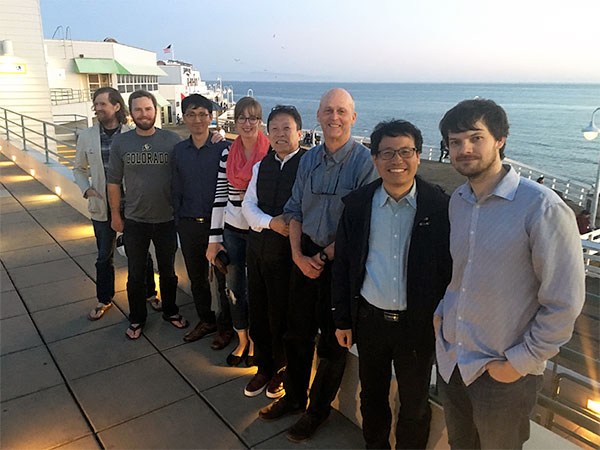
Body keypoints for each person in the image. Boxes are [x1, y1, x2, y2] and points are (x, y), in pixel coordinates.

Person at [435, 98, 585, 449]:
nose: (464, 149)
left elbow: (565, 302)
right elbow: (462, 273)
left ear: (500, 139)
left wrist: (518, 364)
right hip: (453, 361)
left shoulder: (542, 207)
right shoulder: (458, 200)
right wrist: (441, 315)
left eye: (476, 138)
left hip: (503, 374)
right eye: (455, 142)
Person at [258, 88, 378, 443]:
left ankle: (317, 411)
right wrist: (297, 254)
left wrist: (323, 257)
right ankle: (294, 397)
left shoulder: (365, 164)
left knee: (331, 343)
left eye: (342, 111)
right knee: (296, 333)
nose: (334, 117)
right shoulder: (308, 160)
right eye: (328, 110)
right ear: (318, 116)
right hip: (304, 254)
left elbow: (361, 227)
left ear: (353, 118)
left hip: (340, 263)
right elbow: (294, 210)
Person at [332, 120, 452, 449]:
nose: (396, 159)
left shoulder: (440, 207)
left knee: (414, 406)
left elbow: (450, 271)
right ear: (374, 159)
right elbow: (342, 266)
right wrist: (342, 319)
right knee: (372, 397)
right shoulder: (357, 206)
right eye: (387, 152)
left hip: (418, 326)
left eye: (405, 151)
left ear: (417, 156)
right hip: (370, 322)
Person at [107, 90, 189, 339]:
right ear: (131, 113)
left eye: (148, 109)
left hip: (167, 220)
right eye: (138, 109)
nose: (144, 114)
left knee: (168, 272)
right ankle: (136, 319)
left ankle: (171, 311)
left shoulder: (172, 141)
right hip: (134, 220)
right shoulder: (121, 143)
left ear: (156, 111)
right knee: (135, 275)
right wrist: (115, 215)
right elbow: (113, 182)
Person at [73, 87, 159, 320]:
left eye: (102, 104)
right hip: (102, 207)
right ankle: (104, 298)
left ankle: (150, 293)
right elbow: (79, 169)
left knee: (141, 254)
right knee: (104, 255)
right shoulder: (87, 136)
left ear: (116, 106)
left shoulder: (133, 134)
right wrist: (86, 189)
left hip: (132, 207)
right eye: (96, 104)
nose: (98, 108)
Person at [241, 105, 306, 398]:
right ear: (268, 134)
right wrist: (270, 223)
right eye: (275, 129)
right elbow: (247, 207)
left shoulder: (308, 164)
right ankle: (263, 366)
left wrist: (284, 227)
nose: (280, 135)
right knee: (259, 312)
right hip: (258, 252)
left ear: (300, 133)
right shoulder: (261, 166)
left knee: (286, 316)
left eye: (287, 128)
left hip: (290, 257)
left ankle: (283, 370)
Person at [206, 97, 270, 366]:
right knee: (234, 288)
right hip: (232, 230)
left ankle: (256, 340)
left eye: (252, 118)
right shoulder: (226, 153)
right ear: (235, 120)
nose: (247, 123)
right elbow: (221, 195)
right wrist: (214, 239)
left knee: (258, 289)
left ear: (260, 121)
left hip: (259, 232)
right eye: (242, 117)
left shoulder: (269, 154)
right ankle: (242, 339)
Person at [171, 94, 234, 347]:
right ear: (184, 117)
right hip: (188, 224)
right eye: (191, 114)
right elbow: (175, 188)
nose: (197, 119)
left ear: (211, 117)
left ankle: (226, 327)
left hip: (217, 226)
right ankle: (206, 320)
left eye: (202, 114)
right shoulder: (178, 151)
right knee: (197, 278)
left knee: (222, 280)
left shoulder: (223, 148)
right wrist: (178, 220)